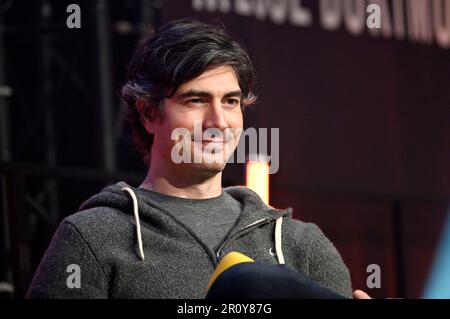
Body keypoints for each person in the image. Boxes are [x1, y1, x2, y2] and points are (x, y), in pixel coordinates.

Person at [27, 19, 359, 299]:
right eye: (197, 100)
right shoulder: (94, 238)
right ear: (148, 112)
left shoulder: (300, 243)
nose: (218, 122)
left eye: (231, 101)